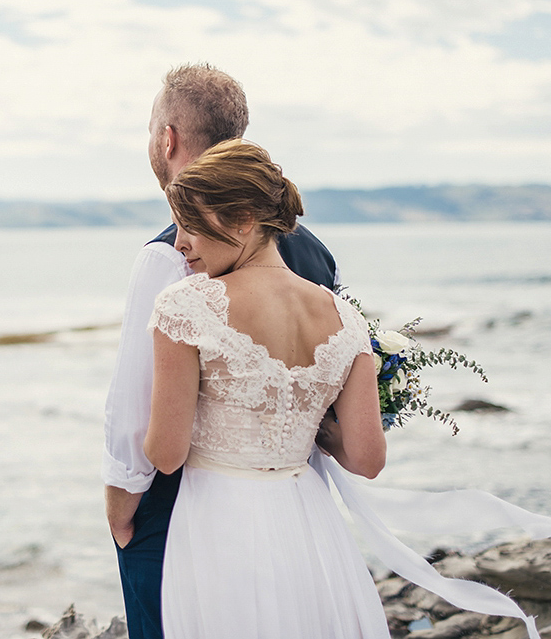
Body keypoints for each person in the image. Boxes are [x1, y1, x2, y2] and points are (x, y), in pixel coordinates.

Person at [102, 64, 340, 639]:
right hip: (292, 504)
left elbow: (136, 409)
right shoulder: (315, 256)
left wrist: (120, 512)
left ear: (168, 139)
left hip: (180, 507)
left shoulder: (167, 257)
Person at [144, 139, 390, 638]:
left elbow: (165, 454)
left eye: (191, 224)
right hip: (310, 524)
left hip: (220, 520)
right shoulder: (345, 318)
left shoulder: (185, 307)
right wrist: (300, 422)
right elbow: (368, 458)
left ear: (242, 221)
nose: (180, 244)